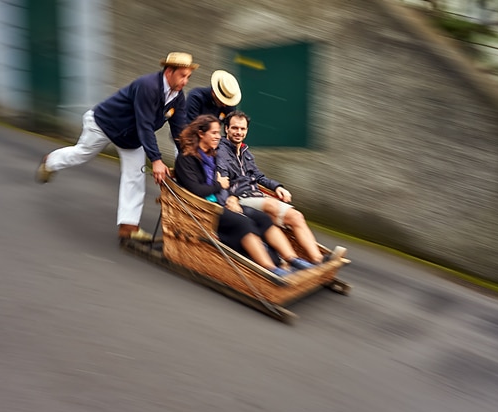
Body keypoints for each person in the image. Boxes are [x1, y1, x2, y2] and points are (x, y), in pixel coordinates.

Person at [36, 52, 198, 241]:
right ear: (169, 71)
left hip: (130, 138)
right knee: (80, 155)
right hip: (104, 124)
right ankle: (51, 161)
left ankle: (128, 227)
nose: (185, 81)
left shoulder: (177, 97)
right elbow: (144, 124)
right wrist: (156, 160)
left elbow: (180, 131)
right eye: (182, 75)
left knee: (135, 176)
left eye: (188, 77)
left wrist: (189, 156)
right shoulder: (148, 86)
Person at [173, 115, 317, 277]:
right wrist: (220, 186)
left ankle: (293, 259)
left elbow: (234, 180)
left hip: (222, 201)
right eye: (214, 133)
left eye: (217, 133)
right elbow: (196, 190)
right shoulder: (186, 159)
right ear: (201, 134)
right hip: (205, 209)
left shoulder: (212, 155)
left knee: (263, 219)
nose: (217, 136)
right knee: (244, 222)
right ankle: (271, 269)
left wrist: (229, 195)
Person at [216, 111, 346, 264]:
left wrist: (277, 186)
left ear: (247, 130)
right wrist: (233, 197)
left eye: (242, 129)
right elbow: (223, 182)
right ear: (227, 129)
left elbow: (258, 176)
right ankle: (291, 259)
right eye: (235, 128)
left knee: (296, 216)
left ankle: (318, 260)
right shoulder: (221, 151)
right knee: (272, 205)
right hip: (239, 199)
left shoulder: (246, 153)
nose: (239, 132)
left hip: (256, 195)